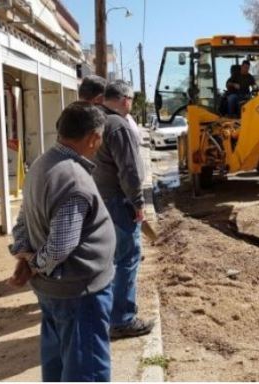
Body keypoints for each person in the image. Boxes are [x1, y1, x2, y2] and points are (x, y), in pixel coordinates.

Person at [8, 101, 116, 381]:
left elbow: (22, 220)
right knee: (86, 369)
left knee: (58, 362)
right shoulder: (73, 180)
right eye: (101, 137)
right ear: (93, 137)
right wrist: (34, 264)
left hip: (54, 290)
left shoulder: (43, 164)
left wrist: (23, 254)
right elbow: (60, 246)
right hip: (79, 292)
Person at [93, 80, 154, 339]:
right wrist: (138, 203)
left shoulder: (96, 120)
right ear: (125, 99)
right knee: (128, 258)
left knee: (112, 258)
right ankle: (122, 320)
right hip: (119, 201)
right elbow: (128, 170)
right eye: (130, 100)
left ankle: (110, 314)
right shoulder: (117, 126)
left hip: (102, 199)